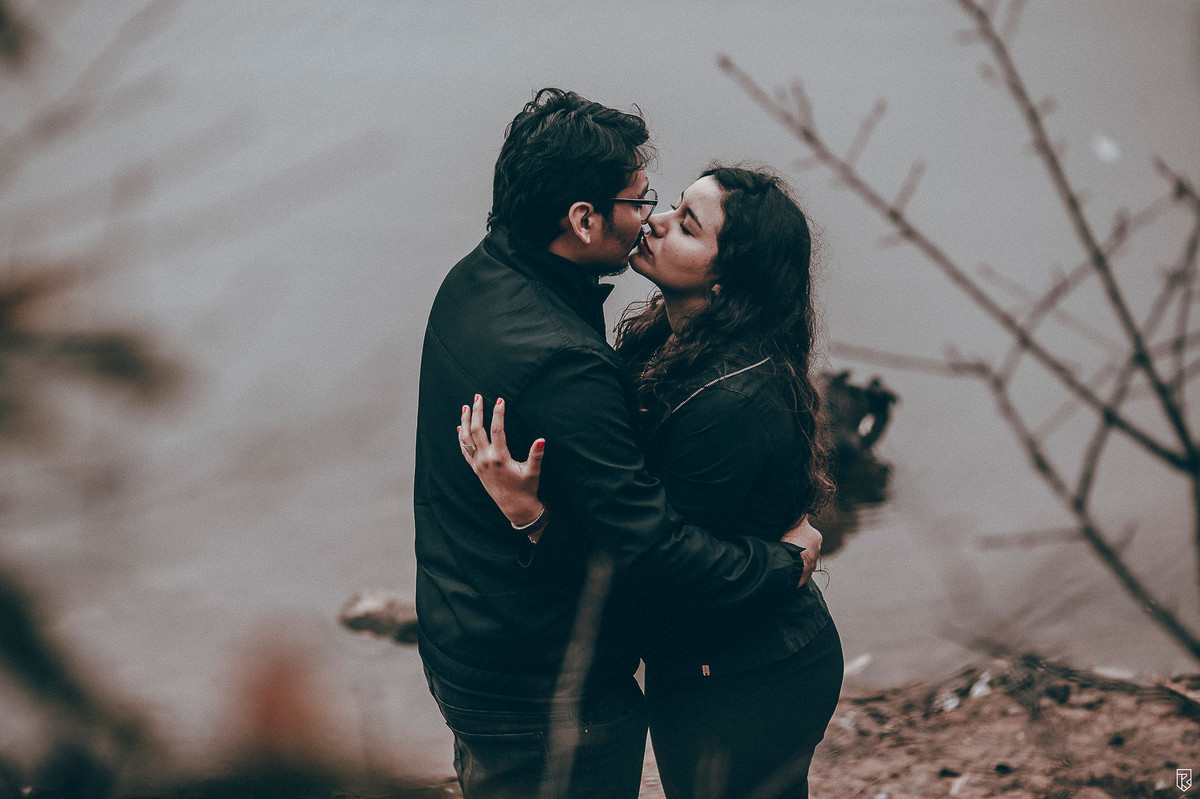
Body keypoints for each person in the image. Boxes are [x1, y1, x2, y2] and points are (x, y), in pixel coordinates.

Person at [414, 89, 821, 799]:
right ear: (581, 218)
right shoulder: (594, 353)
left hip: (736, 669)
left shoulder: (475, 281)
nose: (652, 220)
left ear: (725, 279)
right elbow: (644, 554)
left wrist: (536, 519)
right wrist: (779, 563)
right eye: (645, 202)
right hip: (543, 684)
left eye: (681, 218)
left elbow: (644, 557)